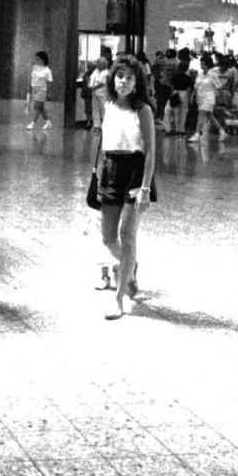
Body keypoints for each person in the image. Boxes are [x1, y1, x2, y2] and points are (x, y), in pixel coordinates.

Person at [94, 54, 156, 320]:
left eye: (130, 78)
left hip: (135, 171)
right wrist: (96, 172)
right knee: (108, 237)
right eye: (120, 76)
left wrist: (144, 188)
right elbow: (102, 142)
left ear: (136, 82)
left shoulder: (142, 109)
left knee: (127, 234)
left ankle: (119, 298)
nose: (124, 81)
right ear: (113, 78)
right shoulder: (107, 104)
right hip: (109, 170)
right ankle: (130, 265)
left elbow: (151, 150)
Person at [189, 54, 223, 142]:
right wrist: (192, 95)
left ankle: (197, 134)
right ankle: (222, 131)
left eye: (202, 63)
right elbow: (196, 86)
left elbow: (219, 87)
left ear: (207, 64)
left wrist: (219, 96)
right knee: (210, 116)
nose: (201, 65)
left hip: (209, 97)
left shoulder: (213, 75)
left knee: (201, 114)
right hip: (200, 98)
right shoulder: (200, 74)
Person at [25, 50, 53, 130]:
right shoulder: (35, 68)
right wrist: (29, 87)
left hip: (42, 89)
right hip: (34, 88)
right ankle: (48, 122)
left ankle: (32, 123)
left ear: (42, 59)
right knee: (41, 107)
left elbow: (49, 82)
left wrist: (49, 93)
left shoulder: (47, 71)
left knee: (37, 106)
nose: (36, 60)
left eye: (38, 59)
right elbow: (31, 78)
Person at [88, 55, 110, 130]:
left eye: (98, 63)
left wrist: (94, 87)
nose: (97, 64)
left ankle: (105, 125)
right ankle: (96, 125)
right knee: (95, 109)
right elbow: (91, 79)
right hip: (94, 93)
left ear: (103, 64)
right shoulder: (95, 71)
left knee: (103, 109)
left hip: (103, 93)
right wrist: (90, 86)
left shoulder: (106, 72)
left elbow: (102, 83)